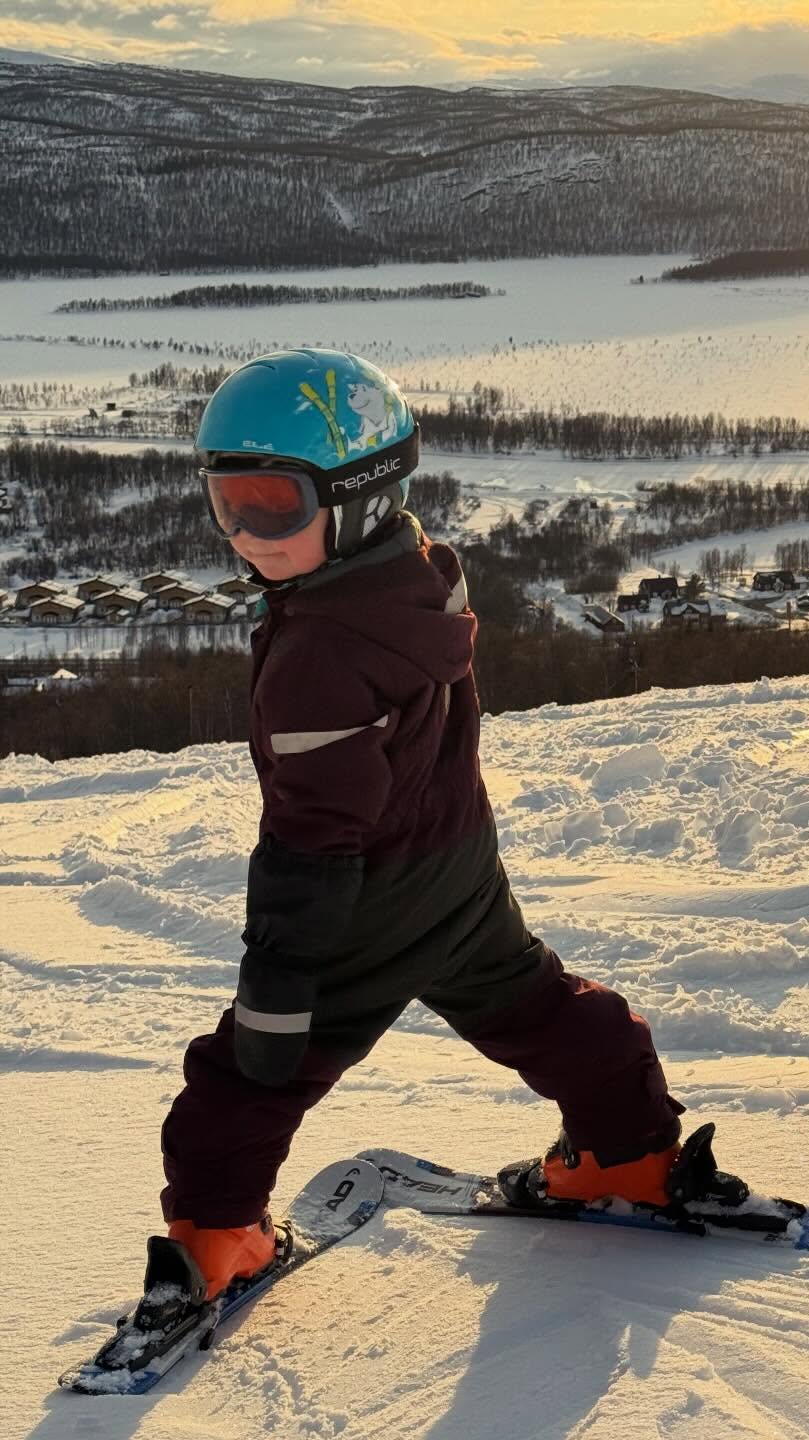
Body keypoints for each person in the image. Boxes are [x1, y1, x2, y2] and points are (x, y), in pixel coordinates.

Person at [158, 348, 691, 1303]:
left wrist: (278, 981)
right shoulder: (418, 579)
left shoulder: (317, 656)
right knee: (534, 1005)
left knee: (251, 1071)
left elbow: (312, 838)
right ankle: (626, 1156)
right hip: (456, 868)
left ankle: (220, 1236)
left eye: (271, 505)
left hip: (364, 896)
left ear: (359, 496)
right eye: (224, 503)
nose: (243, 534)